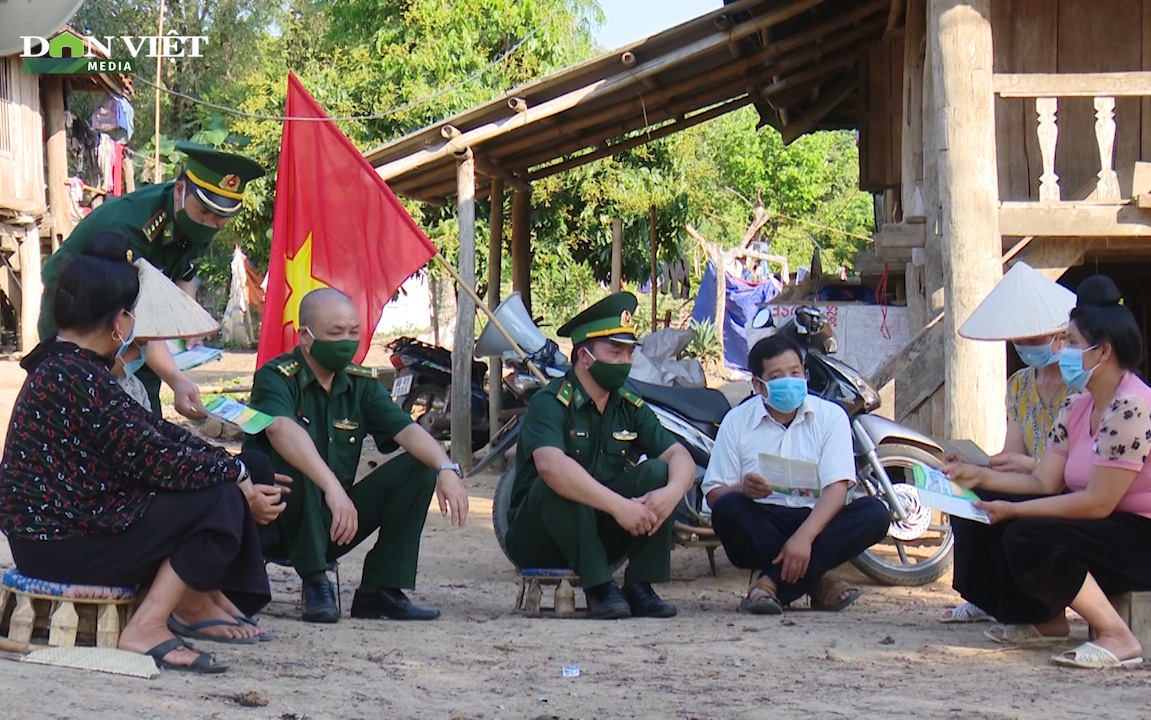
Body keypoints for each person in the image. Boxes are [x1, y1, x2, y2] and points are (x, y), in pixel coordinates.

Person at [0, 236, 272, 673]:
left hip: (66, 531)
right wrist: (235, 473)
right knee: (219, 496)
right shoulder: (74, 375)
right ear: (120, 321)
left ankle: (197, 599)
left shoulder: (69, 366)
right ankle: (149, 625)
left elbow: (156, 434)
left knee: (232, 476)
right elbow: (155, 457)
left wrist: (236, 467)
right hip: (58, 544)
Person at [943, 275, 1151, 669]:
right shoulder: (1078, 406)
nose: (1064, 350)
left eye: (1071, 342)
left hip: (1138, 533)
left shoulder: (1131, 407)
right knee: (980, 508)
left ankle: (1117, 635)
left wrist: (1016, 510)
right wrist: (978, 478)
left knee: (1028, 532)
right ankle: (1044, 618)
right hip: (1103, 523)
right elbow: (1043, 482)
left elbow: (1097, 503)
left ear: (1102, 351)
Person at [244, 288, 469, 624]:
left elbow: (406, 430)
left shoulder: (359, 383)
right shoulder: (275, 377)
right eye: (335, 333)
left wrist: (445, 467)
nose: (347, 342)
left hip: (335, 520)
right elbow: (279, 429)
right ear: (305, 338)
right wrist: (333, 488)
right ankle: (316, 579)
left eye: (353, 332)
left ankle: (381, 589)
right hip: (275, 520)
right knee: (300, 459)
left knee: (417, 468)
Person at [38, 141, 265, 418]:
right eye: (205, 213)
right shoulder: (133, 227)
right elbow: (138, 317)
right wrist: (176, 378)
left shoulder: (194, 221)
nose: (211, 224)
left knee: (144, 408)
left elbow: (185, 272)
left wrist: (188, 326)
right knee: (85, 406)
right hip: (78, 315)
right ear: (180, 190)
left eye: (221, 219)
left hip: (126, 325)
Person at [504, 292, 695, 619]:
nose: (624, 361)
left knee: (659, 474)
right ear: (585, 356)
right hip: (540, 536)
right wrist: (620, 506)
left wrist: (671, 493)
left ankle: (639, 586)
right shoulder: (549, 403)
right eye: (614, 351)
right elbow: (550, 467)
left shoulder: (628, 404)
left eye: (629, 353)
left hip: (599, 531)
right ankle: (599, 588)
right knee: (562, 480)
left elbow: (679, 454)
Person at [702, 335, 890, 614]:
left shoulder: (831, 417)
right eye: (777, 376)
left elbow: (837, 490)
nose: (789, 381)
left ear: (805, 374)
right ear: (758, 385)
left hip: (818, 521)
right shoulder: (737, 420)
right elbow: (715, 493)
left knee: (875, 513)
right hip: (763, 520)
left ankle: (768, 585)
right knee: (728, 509)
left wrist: (804, 538)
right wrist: (742, 489)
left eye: (795, 373)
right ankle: (818, 581)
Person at [941, 261, 1077, 624]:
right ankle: (982, 594)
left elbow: (1078, 465)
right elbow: (1010, 452)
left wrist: (1033, 467)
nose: (1025, 347)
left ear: (1060, 337)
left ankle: (1026, 604)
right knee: (970, 498)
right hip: (1028, 479)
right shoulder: (1019, 384)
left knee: (1000, 504)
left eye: (1034, 340)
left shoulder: (1081, 385)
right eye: (1020, 341)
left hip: (1064, 483)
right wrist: (980, 466)